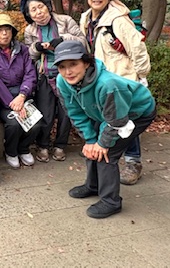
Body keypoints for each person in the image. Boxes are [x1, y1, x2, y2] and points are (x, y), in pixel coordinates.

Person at [54, 41, 156, 219]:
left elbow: (117, 122)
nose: (67, 71)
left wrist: (102, 143)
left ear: (86, 63)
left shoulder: (108, 85)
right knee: (92, 149)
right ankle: (93, 186)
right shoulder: (62, 81)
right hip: (105, 112)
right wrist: (90, 140)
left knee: (106, 153)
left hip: (136, 112)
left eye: (73, 64)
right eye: (62, 67)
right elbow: (74, 112)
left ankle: (111, 202)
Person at [80, 0, 151, 185]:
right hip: (99, 79)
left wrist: (141, 76)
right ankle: (106, 157)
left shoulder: (118, 20)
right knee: (108, 118)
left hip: (121, 77)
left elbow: (137, 48)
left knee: (125, 119)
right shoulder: (86, 19)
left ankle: (133, 162)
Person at [20, 0, 86, 162]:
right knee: (46, 112)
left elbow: (82, 42)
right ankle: (43, 145)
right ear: (29, 14)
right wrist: (36, 48)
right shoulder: (30, 30)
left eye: (40, 7)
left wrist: (62, 40)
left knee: (66, 111)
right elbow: (29, 56)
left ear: (48, 6)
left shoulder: (65, 21)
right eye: (33, 10)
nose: (38, 12)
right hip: (45, 73)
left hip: (68, 74)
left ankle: (60, 145)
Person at [0, 14, 40, 169]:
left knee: (35, 122)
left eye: (7, 29)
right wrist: (13, 103)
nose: (4, 33)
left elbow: (30, 74)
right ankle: (11, 151)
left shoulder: (23, 50)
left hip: (23, 94)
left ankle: (23, 148)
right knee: (13, 123)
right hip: (2, 98)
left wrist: (22, 96)